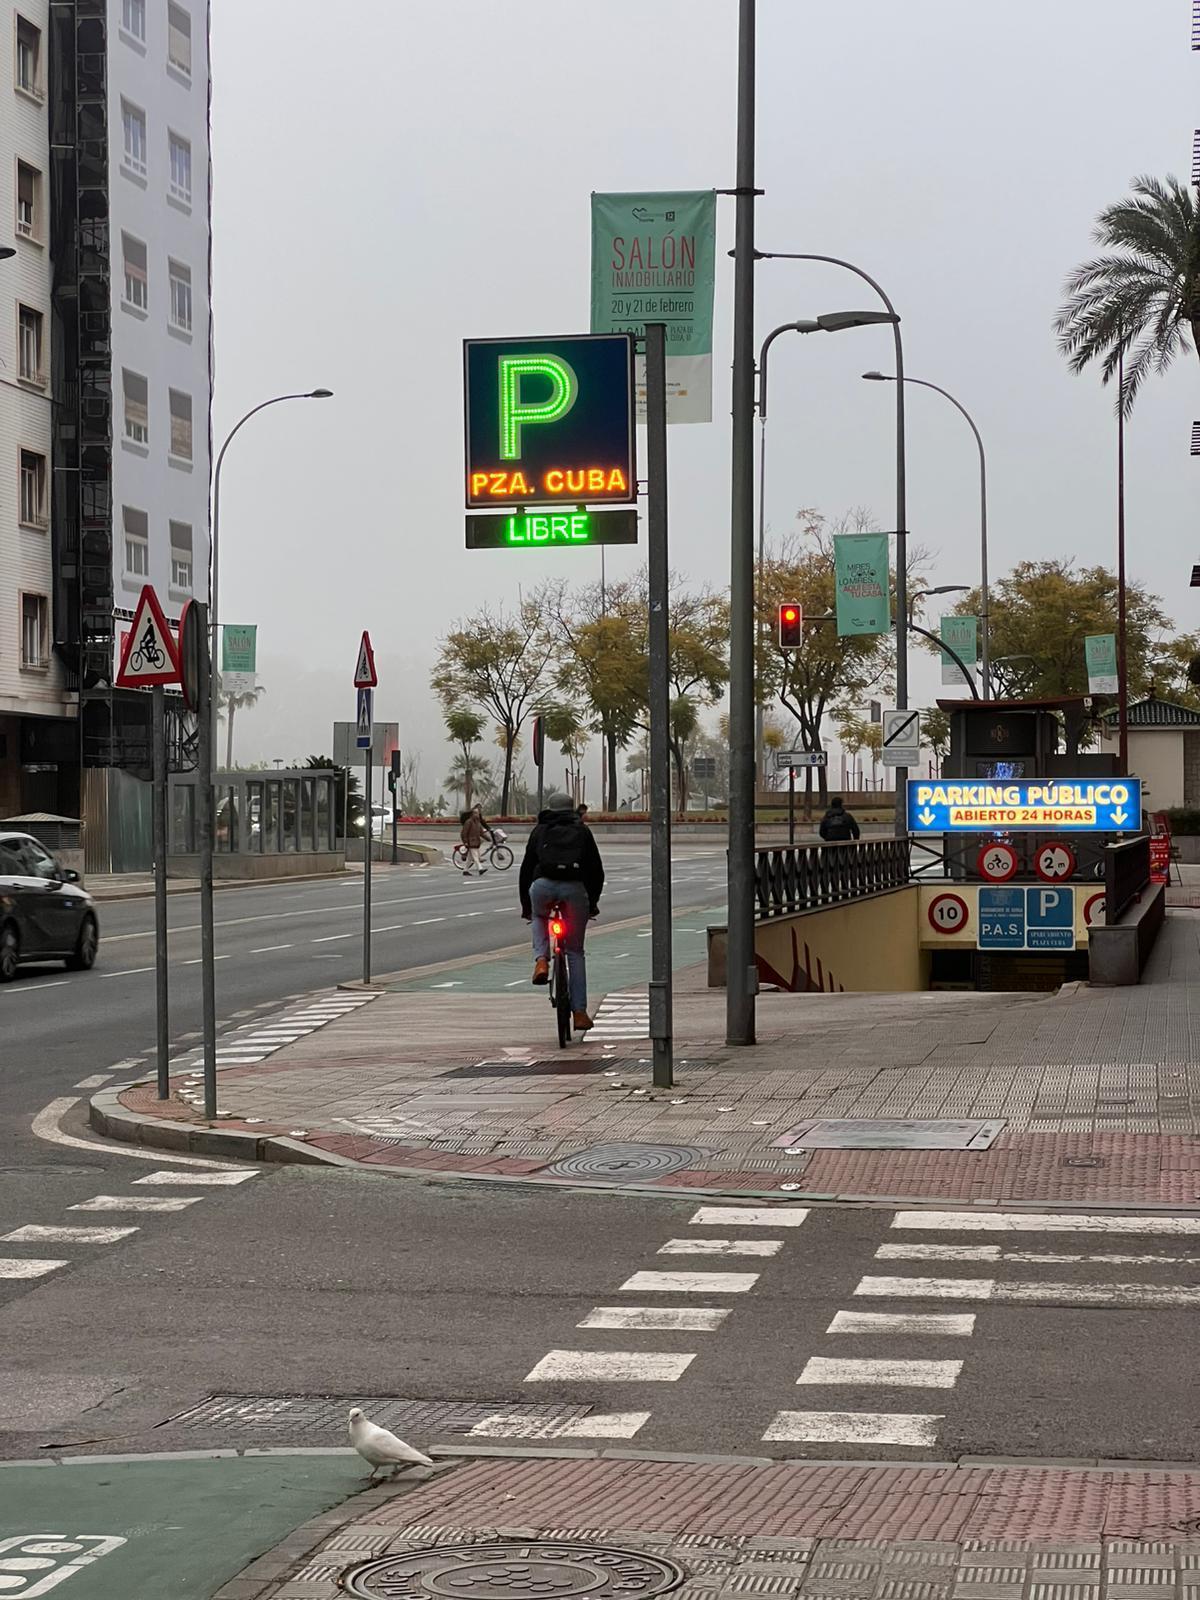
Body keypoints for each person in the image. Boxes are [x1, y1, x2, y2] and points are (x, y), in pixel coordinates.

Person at [520, 791, 604, 1031]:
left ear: (550, 808)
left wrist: (527, 905)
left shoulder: (540, 831)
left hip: (542, 886)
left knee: (539, 916)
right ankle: (579, 1013)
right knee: (575, 952)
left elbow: (526, 869)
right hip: (574, 889)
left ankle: (542, 960)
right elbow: (596, 871)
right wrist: (592, 903)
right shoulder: (583, 831)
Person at [459, 804, 493, 877]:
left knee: (470, 858)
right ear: (472, 814)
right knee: (475, 857)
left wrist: (488, 839)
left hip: (476, 842)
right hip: (471, 842)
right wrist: (465, 842)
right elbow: (463, 833)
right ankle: (480, 869)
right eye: (476, 813)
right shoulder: (468, 822)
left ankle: (465, 870)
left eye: (478, 813)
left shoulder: (478, 823)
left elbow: (481, 833)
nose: (477, 814)